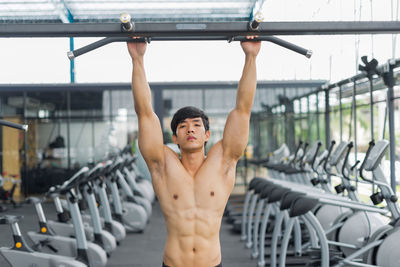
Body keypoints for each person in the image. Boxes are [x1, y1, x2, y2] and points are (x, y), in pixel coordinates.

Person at [127, 37, 261, 267]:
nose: (190, 128)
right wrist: (138, 60)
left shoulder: (222, 163)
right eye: (183, 126)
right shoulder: (163, 166)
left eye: (197, 124)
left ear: (207, 135)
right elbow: (145, 113)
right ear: (175, 137)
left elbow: (243, 109)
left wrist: (251, 56)